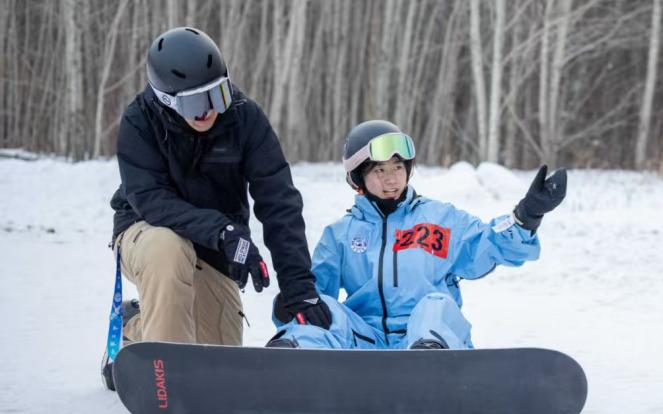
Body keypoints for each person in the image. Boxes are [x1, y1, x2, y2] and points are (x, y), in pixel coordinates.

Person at [105, 27, 328, 388]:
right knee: (168, 249)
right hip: (146, 233)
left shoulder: (244, 118)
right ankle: (169, 377)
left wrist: (298, 287)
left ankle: (138, 328)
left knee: (219, 361)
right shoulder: (140, 121)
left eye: (217, 94)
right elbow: (150, 200)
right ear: (167, 100)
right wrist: (223, 231)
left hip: (212, 248)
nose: (208, 109)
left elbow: (279, 202)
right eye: (194, 102)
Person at [268, 120, 566, 350]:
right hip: (364, 344)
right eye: (379, 171)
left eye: (398, 167)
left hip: (426, 336)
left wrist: (526, 217)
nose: (391, 179)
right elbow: (314, 295)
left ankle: (429, 361)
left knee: (436, 303)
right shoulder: (341, 235)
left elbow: (487, 243)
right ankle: (288, 363)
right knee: (325, 309)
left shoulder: (440, 219)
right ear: (358, 177)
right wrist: (289, 305)